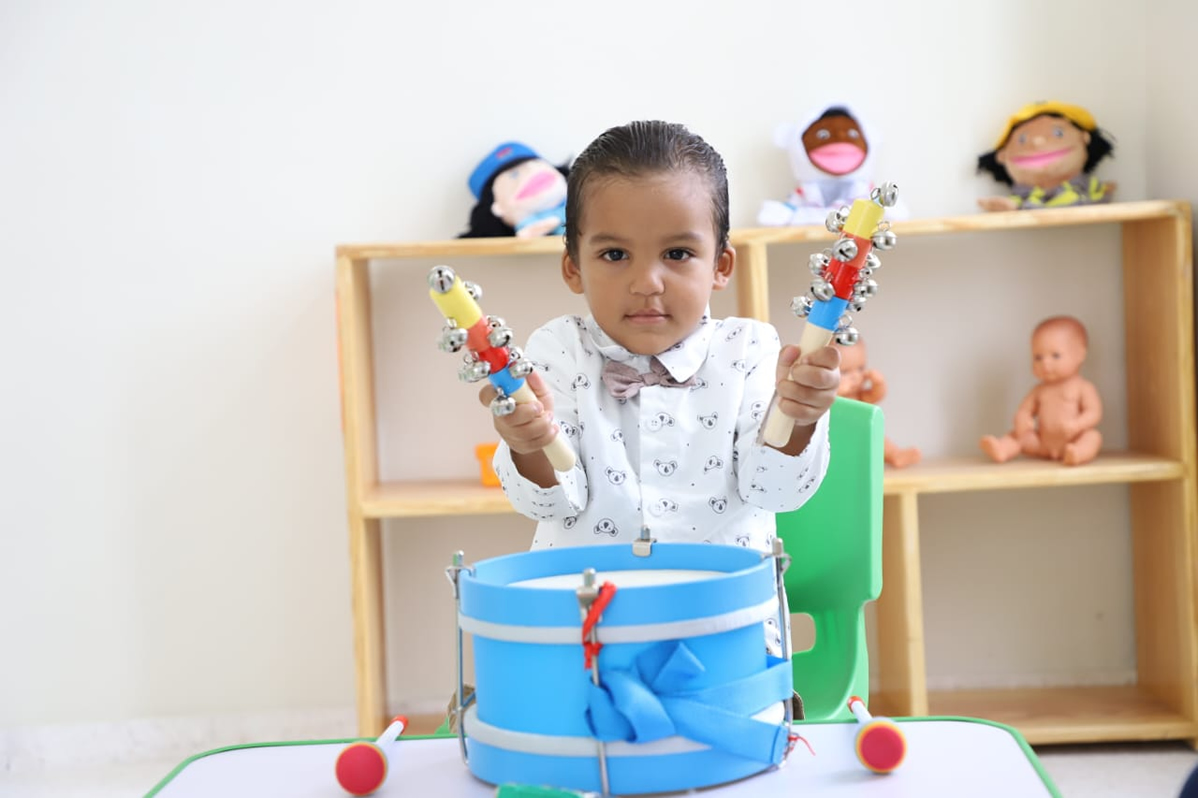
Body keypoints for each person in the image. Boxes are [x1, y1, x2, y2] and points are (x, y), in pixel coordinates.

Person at [979, 315, 1102, 466]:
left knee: (1093, 436)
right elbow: (1024, 411)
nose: (1045, 363)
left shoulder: (1083, 387)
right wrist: (1022, 420)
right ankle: (1003, 448)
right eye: (1038, 357)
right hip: (1041, 443)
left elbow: (1094, 413)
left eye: (1055, 355)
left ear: (1080, 355)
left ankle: (1078, 453)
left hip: (1072, 440)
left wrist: (1077, 424)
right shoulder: (1039, 390)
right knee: (1020, 435)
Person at [837, 338, 921, 468]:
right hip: (838, 438)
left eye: (860, 368)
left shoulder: (858, 396)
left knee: (877, 437)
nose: (855, 376)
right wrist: (836, 393)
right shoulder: (825, 398)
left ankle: (895, 455)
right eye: (845, 371)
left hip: (862, 435)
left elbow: (874, 396)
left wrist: (878, 383)